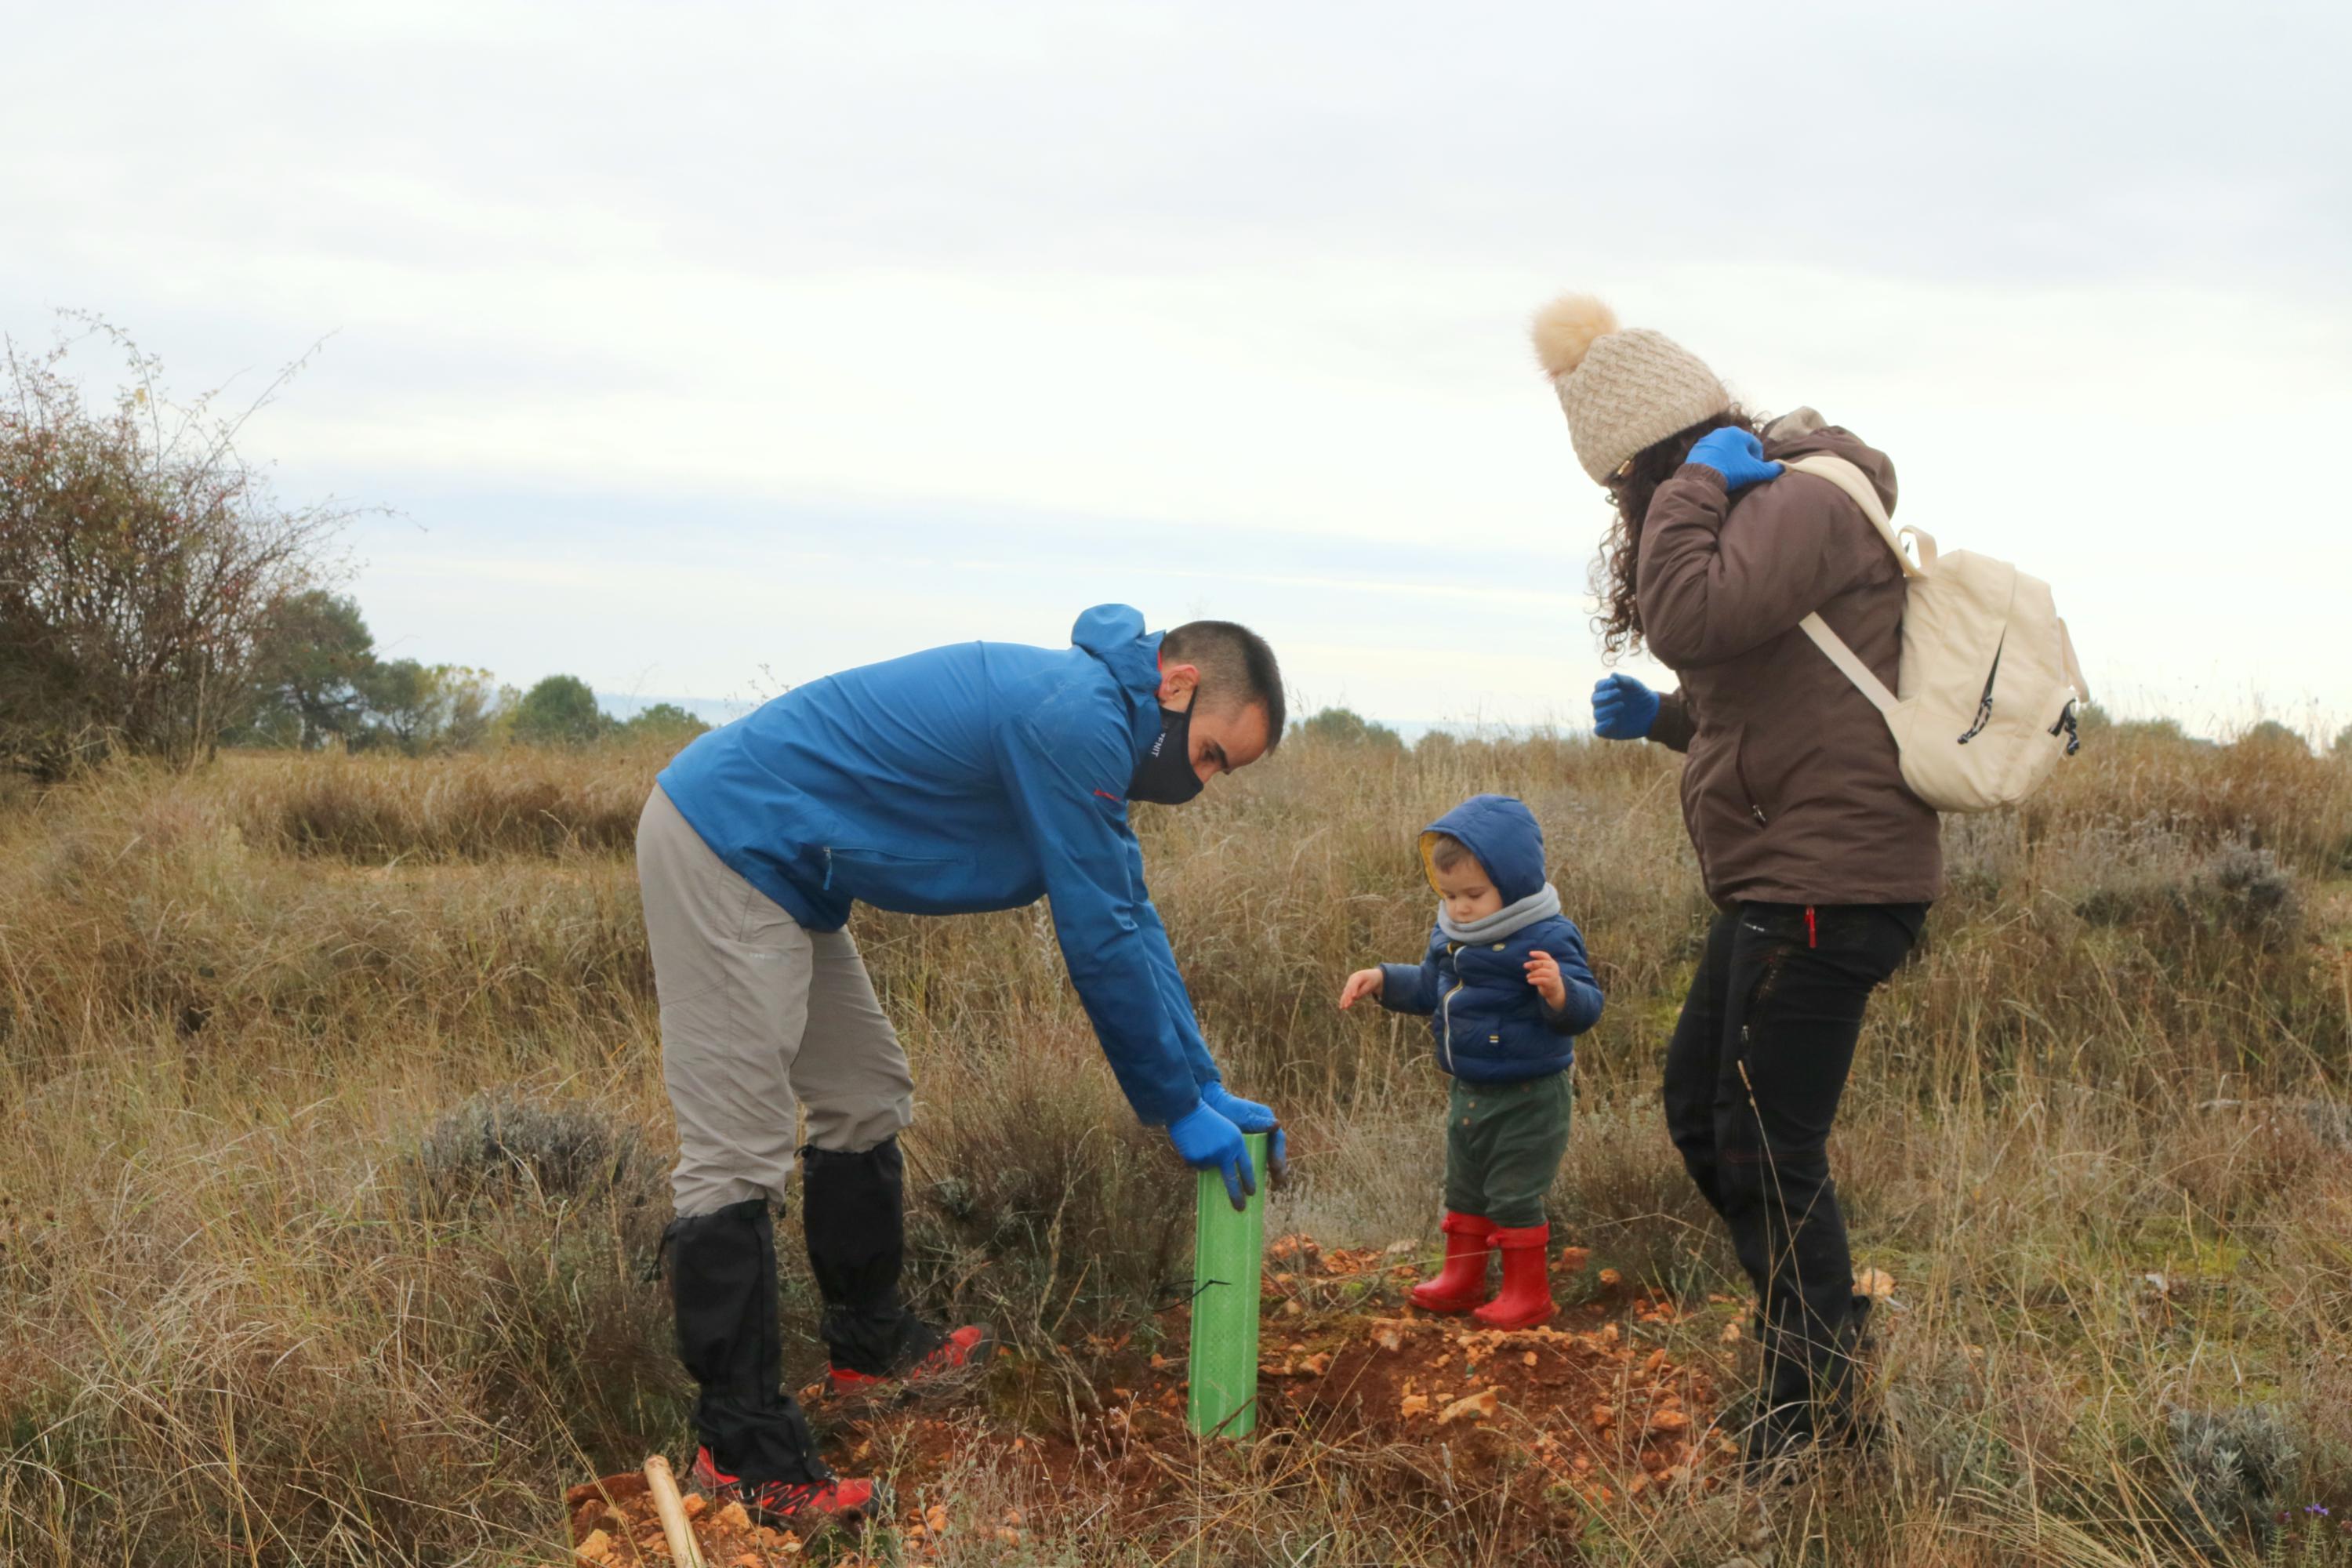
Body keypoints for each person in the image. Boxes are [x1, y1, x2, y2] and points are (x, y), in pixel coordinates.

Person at [637, 605, 1288, 1528]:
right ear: (1177, 685)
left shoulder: (1095, 715)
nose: (1203, 780)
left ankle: (870, 1345)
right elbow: (1096, 932)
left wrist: (1203, 1081)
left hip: (792, 869)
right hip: (728, 840)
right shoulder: (1078, 716)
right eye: (1215, 754)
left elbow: (1130, 914)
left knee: (865, 1092)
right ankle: (741, 1452)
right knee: (735, 1150)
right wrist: (1172, 1105)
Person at [1530, 293, 1940, 1468]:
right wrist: (1664, 721)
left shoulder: (1796, 495)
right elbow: (1773, 700)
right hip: (1795, 872)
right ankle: (1817, 1349)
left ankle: (1818, 1417)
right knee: (1709, 1119)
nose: (1630, 510)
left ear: (1653, 455)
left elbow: (1693, 611)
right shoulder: (1770, 503)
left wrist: (1693, 491)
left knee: (1764, 1141)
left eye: (1629, 486)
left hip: (1832, 881)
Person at [1337, 793, 1604, 1330]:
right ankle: (1462, 1279)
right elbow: (1430, 988)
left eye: (1474, 894)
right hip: (1469, 1090)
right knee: (1464, 1188)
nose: (1460, 907)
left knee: (1514, 1193)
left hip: (1530, 1095)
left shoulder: (1546, 934)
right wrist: (1385, 979)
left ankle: (1528, 1293)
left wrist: (1558, 992)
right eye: (1451, 894)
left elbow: (1587, 1006)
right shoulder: (1452, 935)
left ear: (1514, 882)